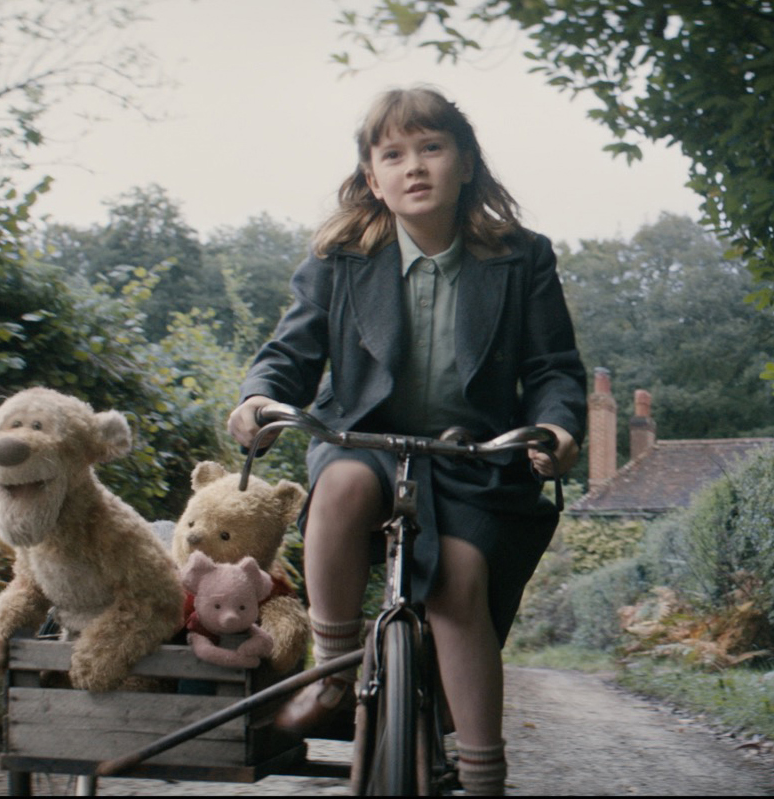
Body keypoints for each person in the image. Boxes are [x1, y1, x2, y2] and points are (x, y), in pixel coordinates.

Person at [227, 85, 585, 797]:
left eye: (432, 147)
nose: (414, 166)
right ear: (372, 177)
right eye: (393, 154)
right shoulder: (339, 258)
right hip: (363, 440)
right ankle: (332, 672)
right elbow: (290, 352)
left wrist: (558, 427)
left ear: (466, 162)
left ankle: (483, 774)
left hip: (472, 456)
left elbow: (552, 367)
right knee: (344, 486)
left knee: (459, 581)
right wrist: (258, 399)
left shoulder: (520, 258)